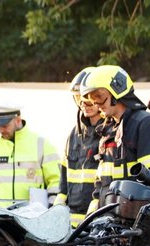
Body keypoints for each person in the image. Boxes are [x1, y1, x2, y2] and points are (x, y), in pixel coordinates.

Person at [79, 65, 150, 211]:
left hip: (136, 224)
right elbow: (100, 188)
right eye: (91, 99)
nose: (96, 103)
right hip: (110, 223)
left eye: (99, 97)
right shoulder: (107, 131)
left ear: (118, 90)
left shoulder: (147, 124)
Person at [0, 106, 61, 208]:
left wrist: (52, 206)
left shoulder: (42, 144)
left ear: (18, 120)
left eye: (4, 126)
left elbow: (56, 180)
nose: (0, 130)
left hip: (31, 216)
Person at [55, 67, 102, 226]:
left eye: (89, 98)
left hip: (99, 222)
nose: (84, 103)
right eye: (79, 98)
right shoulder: (73, 135)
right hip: (71, 225)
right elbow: (63, 187)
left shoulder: (112, 132)